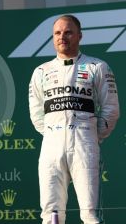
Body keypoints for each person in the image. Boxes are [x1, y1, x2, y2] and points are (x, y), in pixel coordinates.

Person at [29, 15, 119, 224]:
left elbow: (111, 109)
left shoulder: (97, 66)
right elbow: (36, 113)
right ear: (53, 38)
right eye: (58, 33)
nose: (63, 37)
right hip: (51, 145)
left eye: (68, 32)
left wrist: (91, 135)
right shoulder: (41, 71)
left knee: (90, 214)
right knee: (51, 215)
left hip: (85, 144)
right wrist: (55, 132)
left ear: (79, 35)